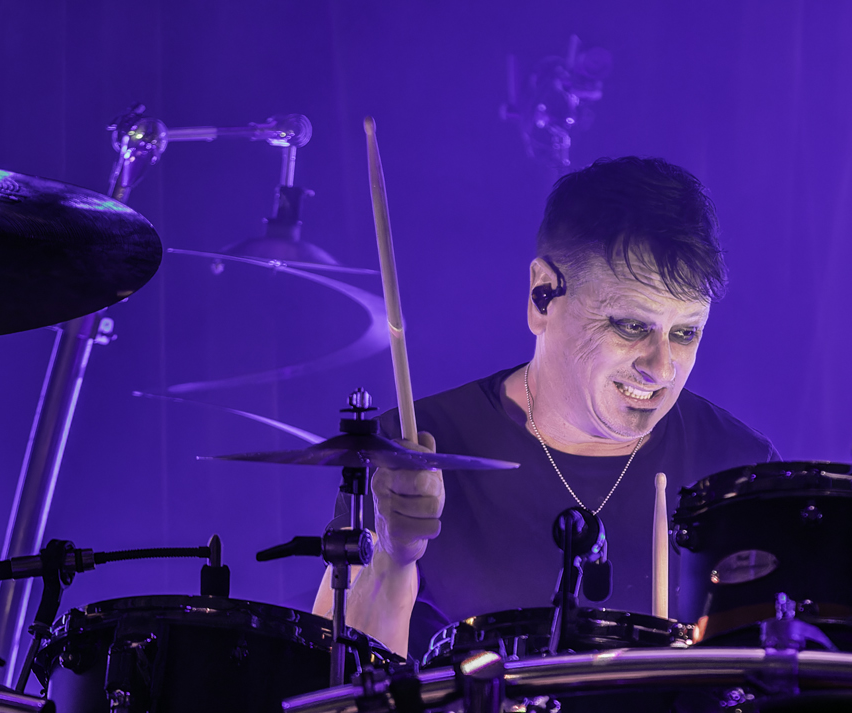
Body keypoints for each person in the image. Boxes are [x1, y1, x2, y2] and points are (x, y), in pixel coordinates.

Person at [313, 156, 777, 659]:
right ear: (542, 297)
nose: (661, 368)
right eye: (630, 326)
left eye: (685, 334)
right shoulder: (417, 448)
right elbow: (337, 683)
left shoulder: (741, 468)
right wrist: (391, 558)